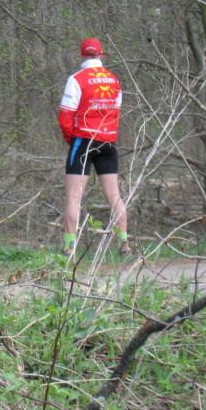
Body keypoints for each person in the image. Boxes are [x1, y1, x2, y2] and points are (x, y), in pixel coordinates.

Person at [57, 38, 130, 257]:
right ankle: (124, 243)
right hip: (108, 142)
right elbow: (116, 111)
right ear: (101, 54)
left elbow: (65, 116)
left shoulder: (76, 80)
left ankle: (69, 247)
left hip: (83, 140)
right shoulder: (114, 80)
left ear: (82, 55)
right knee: (114, 195)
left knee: (74, 196)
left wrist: (71, 140)